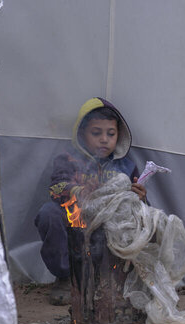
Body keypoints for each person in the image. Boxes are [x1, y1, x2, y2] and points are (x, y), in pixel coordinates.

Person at [34, 97, 146, 305]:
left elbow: (138, 206)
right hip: (79, 224)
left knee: (145, 218)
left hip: (110, 229)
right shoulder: (67, 160)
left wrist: (140, 197)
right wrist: (76, 190)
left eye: (110, 134)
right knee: (49, 213)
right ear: (82, 134)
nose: (104, 139)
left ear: (118, 135)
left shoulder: (126, 167)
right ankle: (67, 278)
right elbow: (55, 188)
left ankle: (118, 279)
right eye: (96, 133)